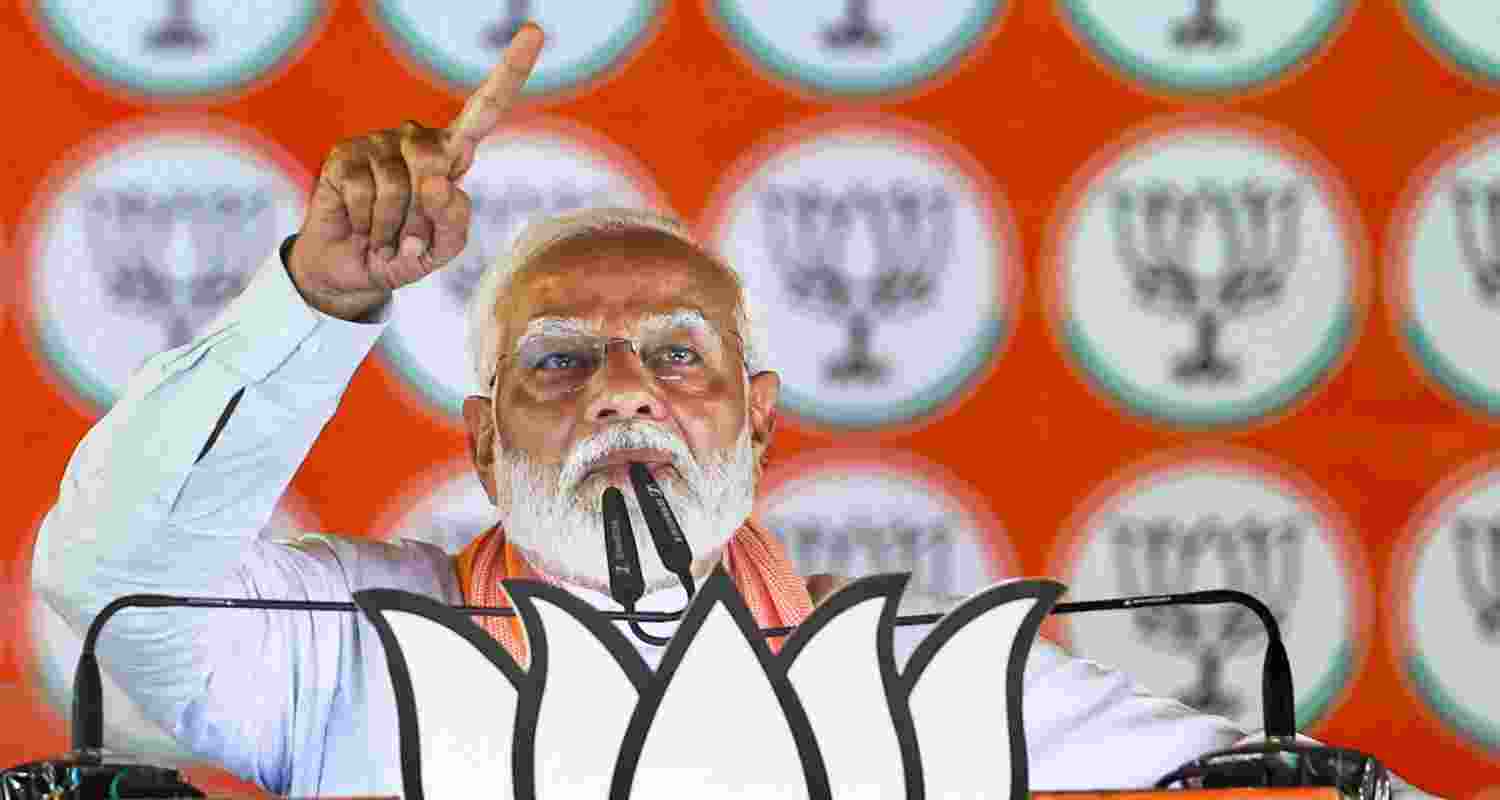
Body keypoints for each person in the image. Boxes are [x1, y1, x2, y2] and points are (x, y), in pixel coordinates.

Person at [30, 22, 1427, 799]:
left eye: (678, 357)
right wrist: (317, 301)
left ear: (761, 424)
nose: (625, 388)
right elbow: (109, 575)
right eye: (562, 362)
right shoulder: (346, 656)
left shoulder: (918, 682)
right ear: (477, 435)